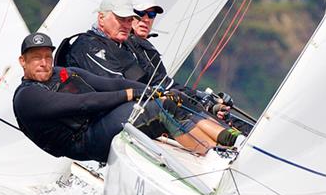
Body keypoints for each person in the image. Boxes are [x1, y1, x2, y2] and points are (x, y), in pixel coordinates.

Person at [13, 32, 235, 162]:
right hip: (84, 143)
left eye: (47, 56)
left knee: (170, 99)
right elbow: (83, 103)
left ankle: (229, 141)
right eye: (36, 58)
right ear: (23, 61)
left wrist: (150, 89)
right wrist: (130, 94)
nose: (43, 62)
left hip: (99, 125)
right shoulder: (28, 96)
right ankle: (212, 159)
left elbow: (112, 83)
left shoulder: (63, 73)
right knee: (157, 108)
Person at [61, 0, 153, 83]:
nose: (126, 26)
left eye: (129, 20)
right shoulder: (86, 46)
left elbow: (152, 76)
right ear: (101, 18)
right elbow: (115, 84)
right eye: (121, 19)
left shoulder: (127, 44)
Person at [127, 0, 173, 87]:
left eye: (152, 14)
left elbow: (161, 80)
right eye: (141, 12)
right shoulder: (121, 45)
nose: (147, 19)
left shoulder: (145, 46)